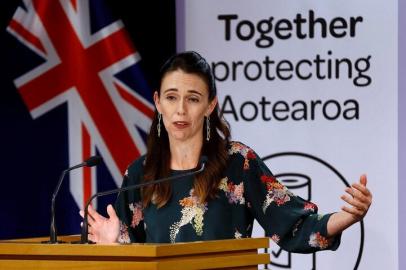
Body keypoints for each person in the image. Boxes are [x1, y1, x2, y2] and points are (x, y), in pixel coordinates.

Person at [80, 51, 372, 252]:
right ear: (158, 102)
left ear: (210, 106)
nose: (180, 109)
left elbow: (293, 225)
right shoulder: (140, 174)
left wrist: (347, 218)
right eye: (171, 97)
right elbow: (132, 256)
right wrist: (114, 244)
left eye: (193, 99)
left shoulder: (237, 163)